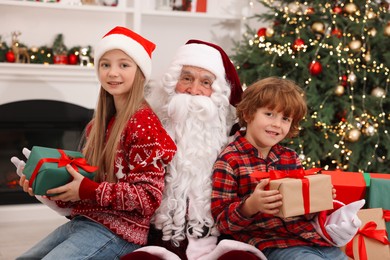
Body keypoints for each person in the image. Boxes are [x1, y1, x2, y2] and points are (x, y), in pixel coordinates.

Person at [11, 26, 177, 259]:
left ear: (140, 72)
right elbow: (83, 186)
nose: (112, 73)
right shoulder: (97, 126)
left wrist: (90, 190)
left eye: (124, 65)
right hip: (86, 221)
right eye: (105, 64)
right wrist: (42, 185)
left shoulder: (143, 123)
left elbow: (149, 197)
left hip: (120, 233)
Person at [122, 40, 267, 260]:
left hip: (218, 241)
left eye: (205, 82)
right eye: (187, 78)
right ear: (173, 83)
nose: (193, 90)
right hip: (160, 240)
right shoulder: (148, 128)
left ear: (217, 93)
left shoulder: (233, 137)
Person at [211, 77, 365, 260]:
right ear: (248, 114)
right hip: (272, 243)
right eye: (269, 114)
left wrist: (316, 199)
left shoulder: (289, 157)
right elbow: (221, 224)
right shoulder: (230, 159)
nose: (277, 124)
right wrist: (250, 206)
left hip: (310, 239)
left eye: (285, 118)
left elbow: (303, 214)